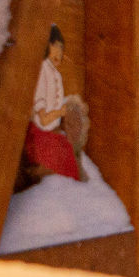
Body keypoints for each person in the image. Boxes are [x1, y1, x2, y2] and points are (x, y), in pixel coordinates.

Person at [19, 24, 86, 189]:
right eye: (55, 46)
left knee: (66, 154)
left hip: (53, 135)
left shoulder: (56, 74)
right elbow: (43, 118)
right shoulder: (42, 71)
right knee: (54, 161)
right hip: (41, 135)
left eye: (61, 47)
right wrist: (60, 112)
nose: (59, 52)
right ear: (46, 46)